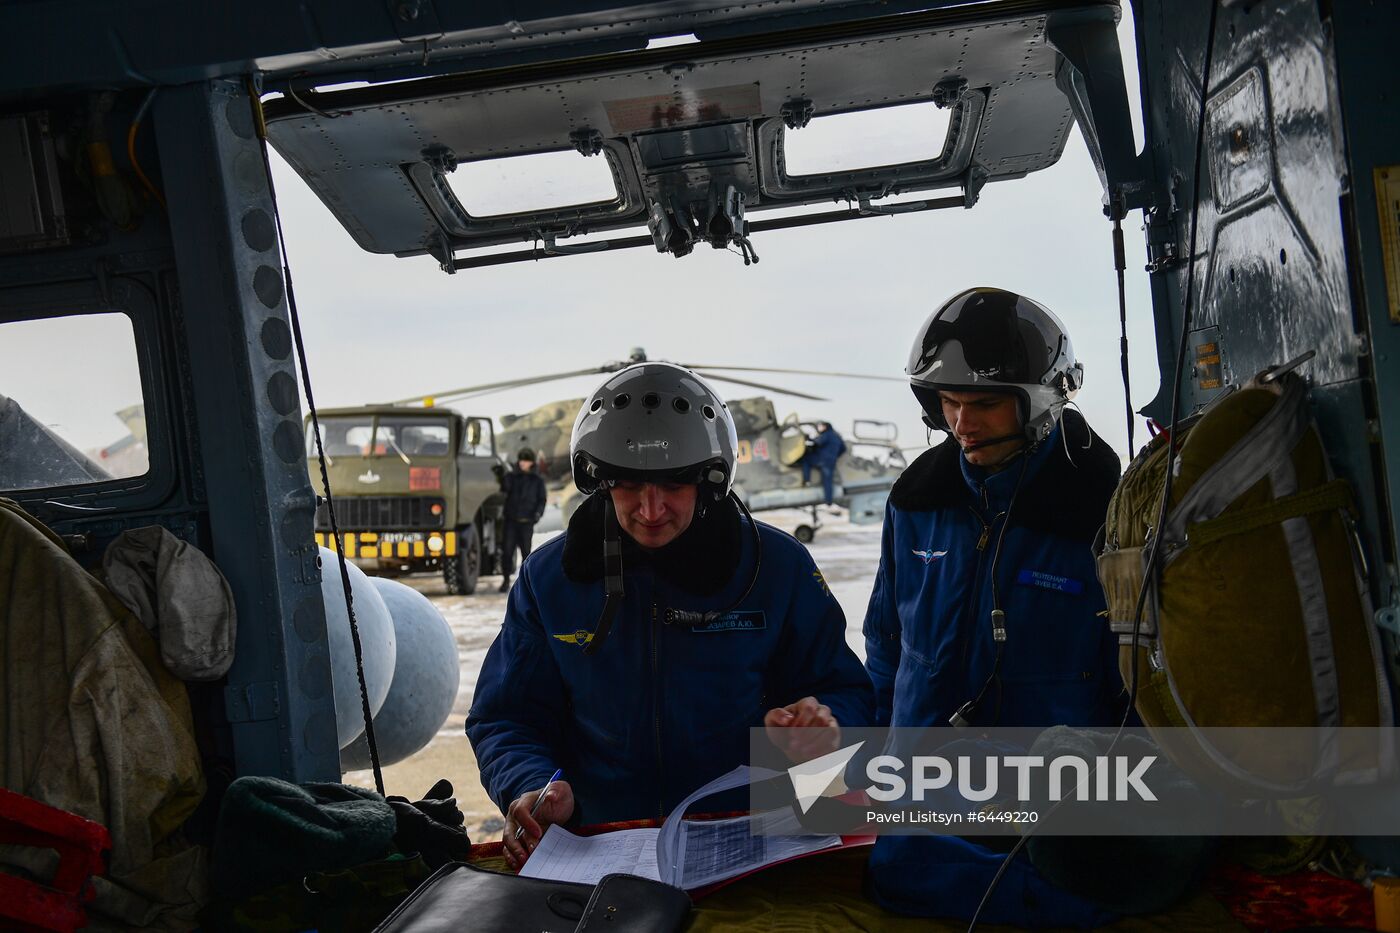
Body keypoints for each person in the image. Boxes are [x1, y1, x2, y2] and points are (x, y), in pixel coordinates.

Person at [466, 362, 874, 869]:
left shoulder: (777, 568)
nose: (650, 509)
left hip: (748, 845)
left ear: (709, 481)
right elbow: (506, 716)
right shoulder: (550, 579)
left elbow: (848, 692)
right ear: (600, 480)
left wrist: (826, 727)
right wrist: (531, 785)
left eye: (673, 486)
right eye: (629, 486)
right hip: (598, 846)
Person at [861, 287, 1128, 926]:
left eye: (983, 404)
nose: (962, 422)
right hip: (926, 792)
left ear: (1038, 403)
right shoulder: (916, 503)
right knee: (895, 862)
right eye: (948, 403)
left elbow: (1138, 677)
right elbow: (886, 648)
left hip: (1051, 788)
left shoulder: (1103, 512)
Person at [498, 447, 546, 593]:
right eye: (521, 460)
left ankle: (526, 582)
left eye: (526, 461)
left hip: (527, 522)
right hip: (511, 521)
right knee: (507, 552)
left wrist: (537, 514)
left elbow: (541, 499)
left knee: (526, 554)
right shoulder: (512, 477)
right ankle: (506, 580)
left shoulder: (537, 480)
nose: (523, 463)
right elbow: (505, 488)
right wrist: (501, 475)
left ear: (531, 462)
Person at [800, 420, 846, 506]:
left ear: (826, 427)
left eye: (822, 426)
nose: (820, 428)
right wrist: (835, 456)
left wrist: (808, 438)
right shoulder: (836, 436)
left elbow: (817, 442)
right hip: (831, 462)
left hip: (821, 460)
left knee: (806, 459)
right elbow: (843, 448)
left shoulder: (826, 434)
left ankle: (807, 480)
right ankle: (828, 502)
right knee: (828, 482)